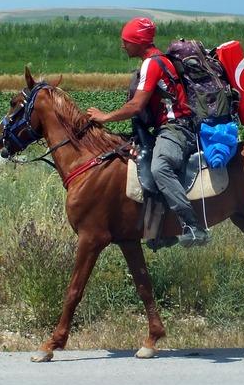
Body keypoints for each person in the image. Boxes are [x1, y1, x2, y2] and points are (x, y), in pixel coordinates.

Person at [86, 17, 211, 248]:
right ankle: (157, 231)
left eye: (127, 41)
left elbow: (136, 105)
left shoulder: (152, 64)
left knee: (160, 167)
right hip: (164, 127)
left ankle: (193, 227)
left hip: (176, 128)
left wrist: (105, 117)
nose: (123, 46)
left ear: (139, 42)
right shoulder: (153, 61)